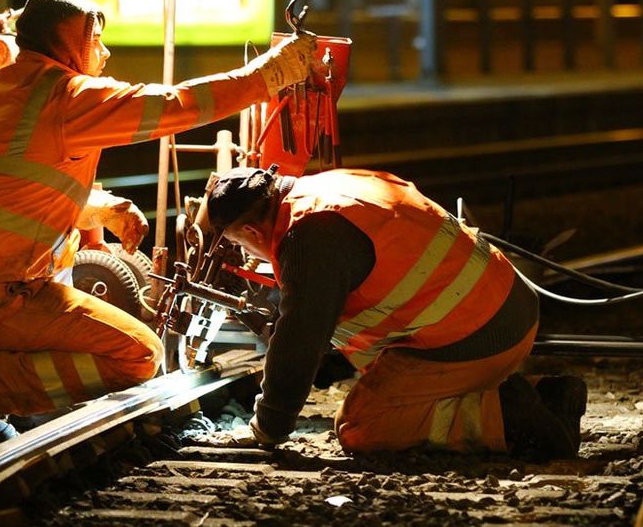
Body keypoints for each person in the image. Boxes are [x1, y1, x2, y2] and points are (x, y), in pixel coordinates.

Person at [0, 0, 317, 448]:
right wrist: (269, 75)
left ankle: (4, 390)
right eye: (96, 40)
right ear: (70, 42)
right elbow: (175, 104)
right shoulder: (67, 95)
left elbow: (11, 185)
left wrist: (97, 208)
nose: (104, 53)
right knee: (136, 355)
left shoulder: (7, 87)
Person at [203, 166, 588, 459]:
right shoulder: (333, 186)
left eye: (239, 245)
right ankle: (548, 395)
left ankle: (513, 418)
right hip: (508, 308)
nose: (248, 254)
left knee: (362, 426)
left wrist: (268, 428)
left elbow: (298, 341)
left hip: (475, 340)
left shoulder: (306, 236)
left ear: (252, 232)